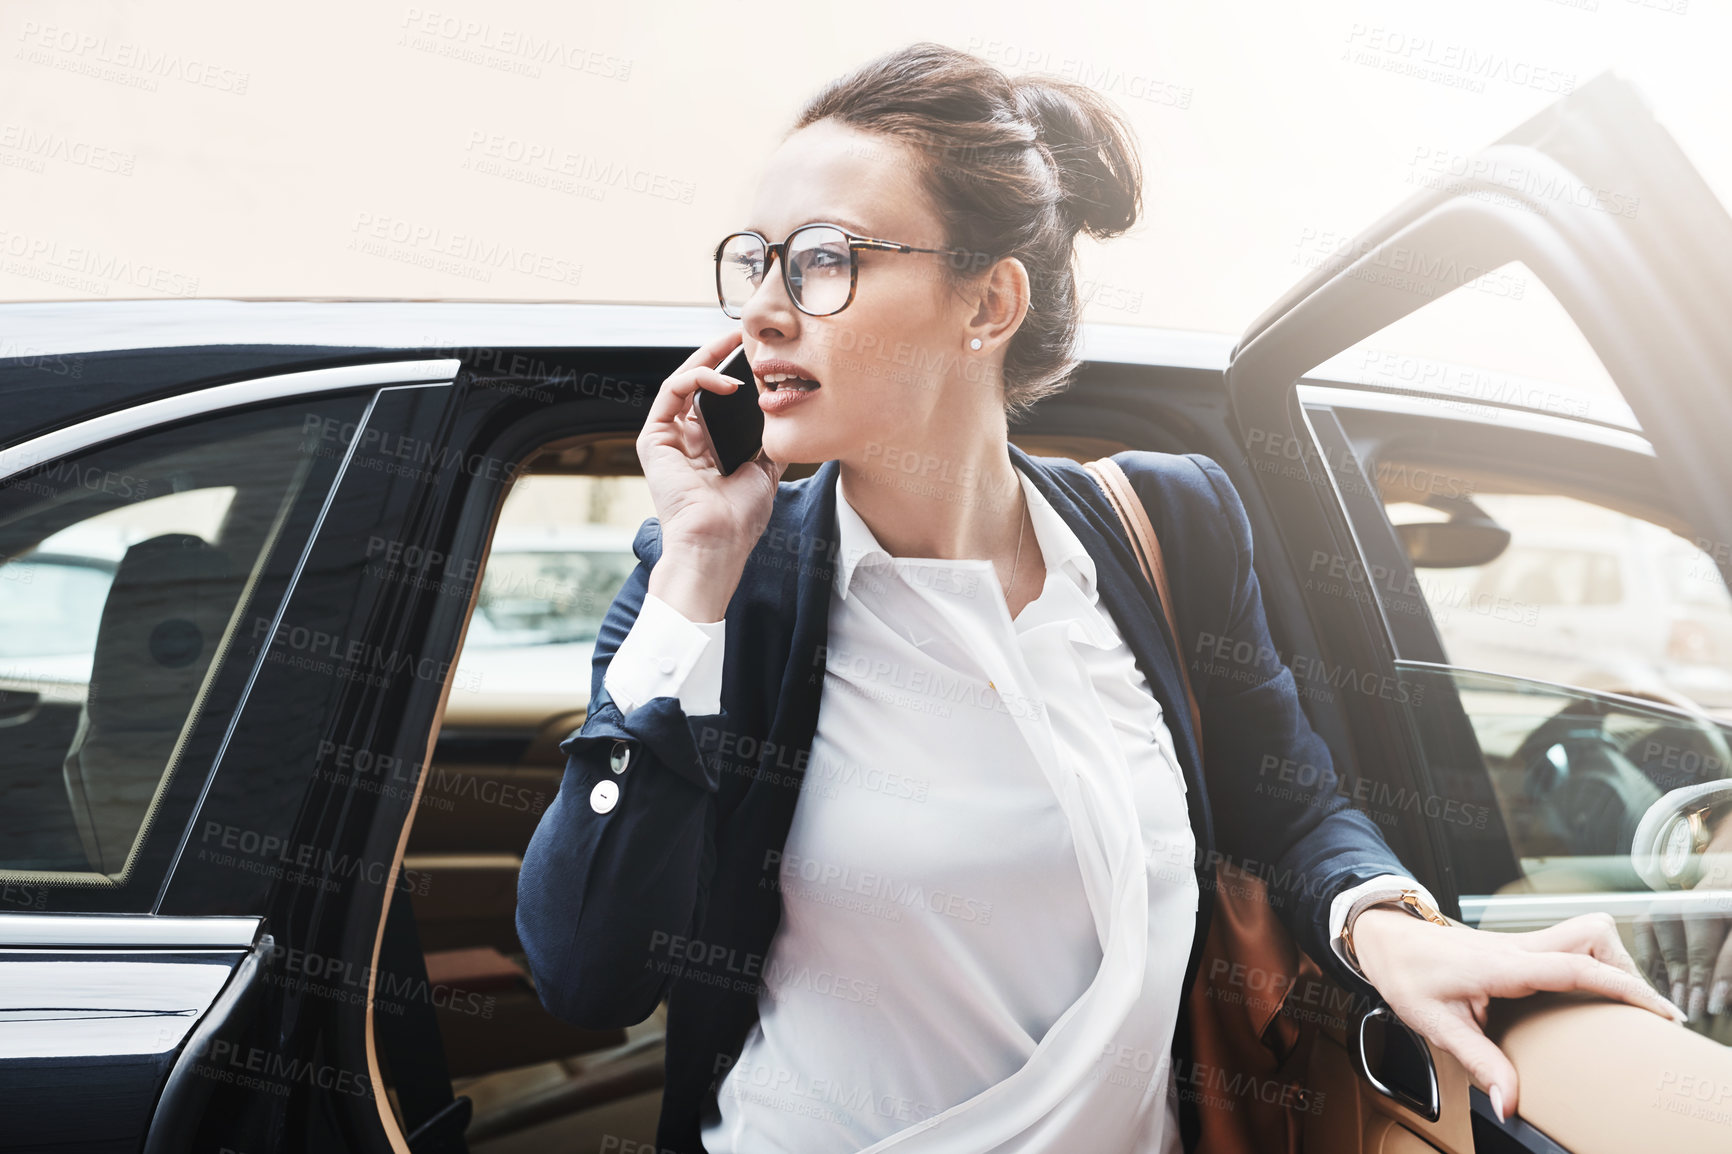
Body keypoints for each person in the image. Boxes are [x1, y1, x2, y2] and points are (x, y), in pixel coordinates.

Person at [516, 41, 1683, 1154]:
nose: (765, 307)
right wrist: (697, 568)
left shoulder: (1167, 524)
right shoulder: (718, 586)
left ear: (987, 306)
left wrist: (1386, 928)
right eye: (755, 260)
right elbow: (587, 972)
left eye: (824, 259)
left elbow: (1284, 806)